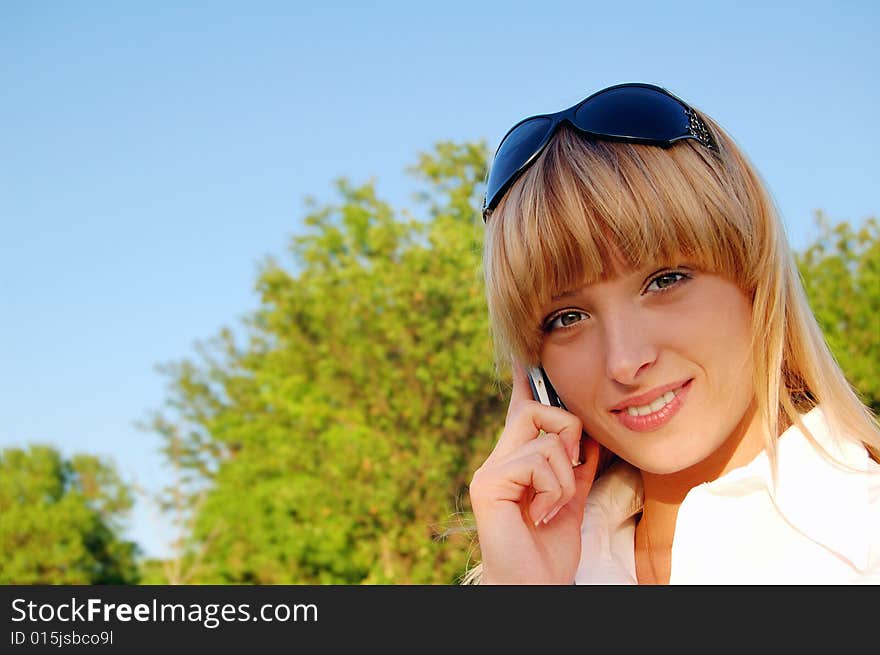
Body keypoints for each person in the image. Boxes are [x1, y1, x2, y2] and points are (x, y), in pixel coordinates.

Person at [465, 82, 880, 584]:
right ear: (534, 369)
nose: (625, 360)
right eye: (567, 318)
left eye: (665, 281)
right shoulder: (536, 566)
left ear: (755, 275)